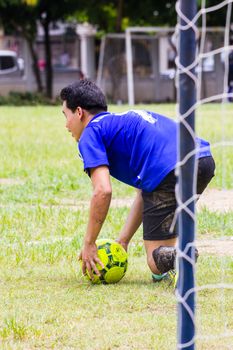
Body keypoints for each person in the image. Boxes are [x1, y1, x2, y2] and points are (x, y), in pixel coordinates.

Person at [60, 79, 215, 283]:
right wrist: (123, 240)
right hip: (202, 160)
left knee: (154, 261)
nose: (66, 125)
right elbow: (146, 192)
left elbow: (102, 191)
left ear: (79, 112)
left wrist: (89, 243)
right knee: (161, 267)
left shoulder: (91, 133)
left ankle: (182, 255)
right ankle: (177, 259)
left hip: (169, 169)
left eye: (66, 115)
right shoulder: (119, 123)